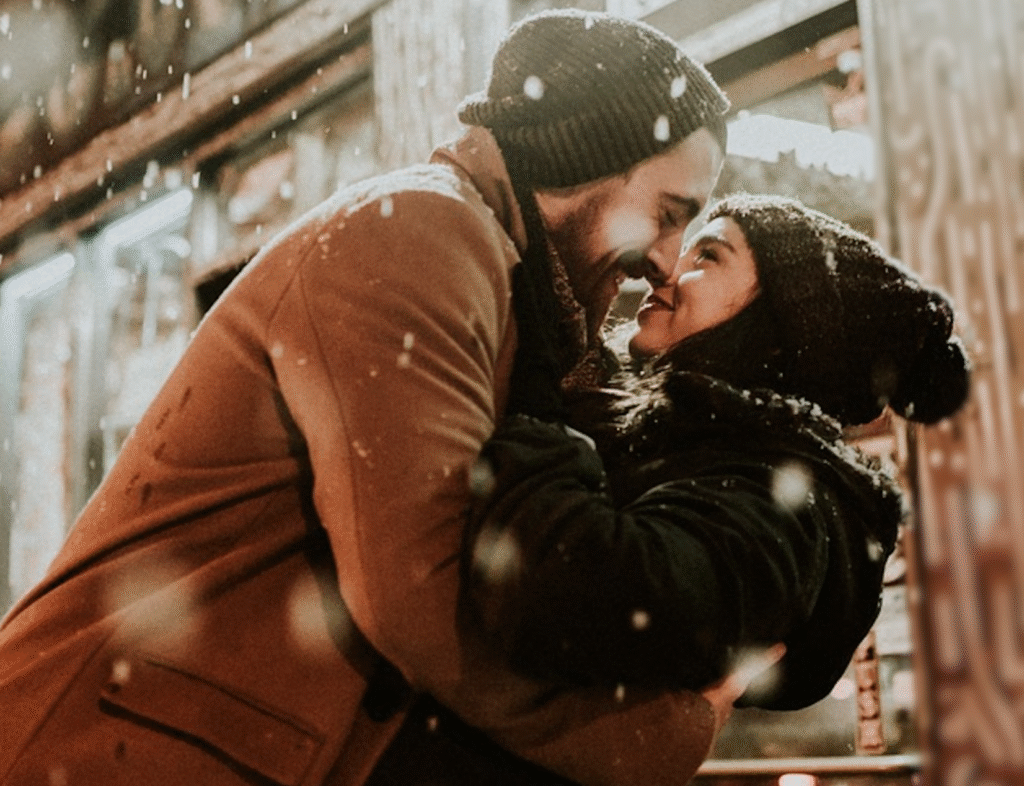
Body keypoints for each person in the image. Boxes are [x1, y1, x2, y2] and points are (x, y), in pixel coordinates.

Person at [0, 9, 741, 786]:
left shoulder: (503, 282)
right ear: (591, 156)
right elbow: (425, 600)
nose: (665, 262)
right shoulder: (420, 235)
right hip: (97, 752)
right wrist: (658, 735)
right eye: (668, 215)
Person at [460, 192, 971, 717]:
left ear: (776, 330)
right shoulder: (685, 441)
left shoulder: (782, 497)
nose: (664, 272)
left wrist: (538, 405)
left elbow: (578, 597)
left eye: (707, 256)